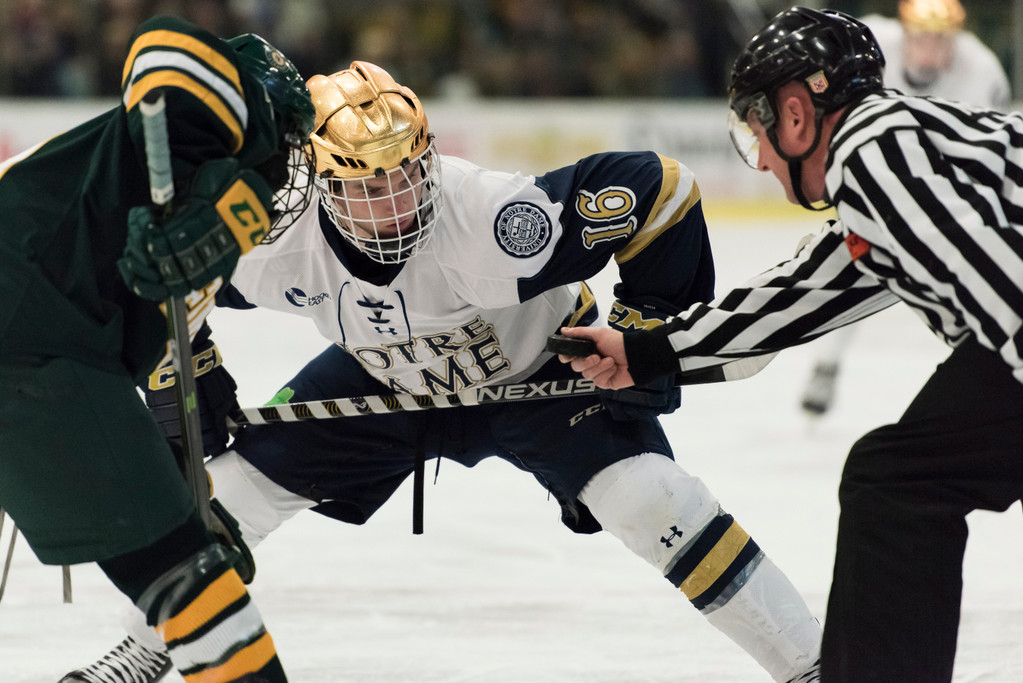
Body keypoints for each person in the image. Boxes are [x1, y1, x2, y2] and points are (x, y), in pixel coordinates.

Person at [62, 61, 825, 683]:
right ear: (320, 181)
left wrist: (642, 325)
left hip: (539, 375)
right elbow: (162, 282)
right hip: (383, 380)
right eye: (367, 184)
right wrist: (186, 372)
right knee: (221, 499)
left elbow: (660, 191)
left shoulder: (493, 221)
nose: (395, 203)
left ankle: (812, 667)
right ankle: (138, 651)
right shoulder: (272, 236)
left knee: (658, 501)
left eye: (405, 174)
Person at [560, 7, 1023, 682]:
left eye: (759, 135)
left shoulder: (872, 149)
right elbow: (802, 293)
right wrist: (645, 350)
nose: (766, 164)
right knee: (893, 475)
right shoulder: (891, 161)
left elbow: (1001, 291)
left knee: (895, 478)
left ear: (796, 115)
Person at [0, 14, 316, 683]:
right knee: (192, 587)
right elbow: (163, 46)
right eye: (289, 142)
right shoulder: (223, 136)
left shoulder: (164, 207)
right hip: (27, 341)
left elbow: (149, 396)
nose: (289, 163)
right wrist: (236, 176)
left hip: (44, 346)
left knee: (184, 568)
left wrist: (184, 503)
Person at [798, 0, 1012, 416]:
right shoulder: (872, 41)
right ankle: (828, 362)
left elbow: (987, 157)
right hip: (884, 170)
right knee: (861, 258)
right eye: (922, 37)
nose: (930, 48)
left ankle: (980, 362)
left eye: (940, 38)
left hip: (950, 179)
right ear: (905, 33)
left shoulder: (981, 71)